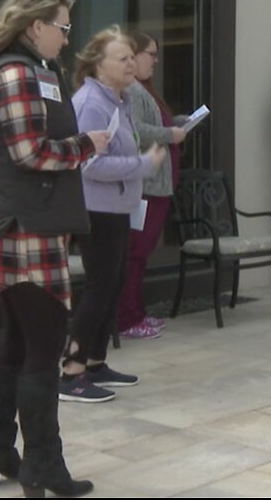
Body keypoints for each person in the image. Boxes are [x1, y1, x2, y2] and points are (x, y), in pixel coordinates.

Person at [0, 0, 106, 497]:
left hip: (22, 225)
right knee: (43, 348)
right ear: (35, 26)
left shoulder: (37, 69)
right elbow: (31, 153)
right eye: (62, 27)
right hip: (22, 231)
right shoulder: (16, 72)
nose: (67, 38)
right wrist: (87, 143)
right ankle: (42, 466)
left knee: (18, 345)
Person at [63, 26, 165, 403]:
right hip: (98, 209)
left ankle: (94, 360)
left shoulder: (117, 101)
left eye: (129, 57)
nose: (129, 63)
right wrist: (141, 163)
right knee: (100, 285)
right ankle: (71, 370)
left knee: (113, 281)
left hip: (118, 208)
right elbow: (88, 165)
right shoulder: (92, 102)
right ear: (98, 65)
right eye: (121, 58)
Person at [118, 31, 188, 339]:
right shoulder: (131, 89)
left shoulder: (144, 89)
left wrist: (177, 124)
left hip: (157, 185)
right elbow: (137, 131)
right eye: (150, 54)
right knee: (135, 252)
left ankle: (137, 312)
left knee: (141, 253)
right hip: (145, 185)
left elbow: (153, 126)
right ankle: (127, 317)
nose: (155, 61)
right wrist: (169, 135)